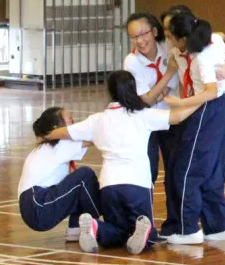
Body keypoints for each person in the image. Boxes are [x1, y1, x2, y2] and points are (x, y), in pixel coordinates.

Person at [45, 71, 197, 254]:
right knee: (148, 237)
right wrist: (202, 99)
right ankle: (142, 232)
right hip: (137, 184)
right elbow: (177, 117)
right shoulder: (142, 115)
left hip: (108, 187)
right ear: (132, 90)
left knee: (117, 231)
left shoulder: (97, 120)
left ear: (110, 92)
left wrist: (46, 134)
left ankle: (96, 227)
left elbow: (65, 132)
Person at [163, 13, 225, 244]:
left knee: (187, 169)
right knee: (211, 170)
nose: (167, 40)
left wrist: (179, 104)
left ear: (182, 37)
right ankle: (219, 227)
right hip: (218, 107)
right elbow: (220, 35)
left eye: (169, 35)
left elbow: (210, 91)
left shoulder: (202, 57)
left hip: (210, 107)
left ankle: (187, 229)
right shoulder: (204, 43)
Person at [17, 107, 100, 242]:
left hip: (32, 207)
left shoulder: (47, 147)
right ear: (57, 129)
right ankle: (101, 225)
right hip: (38, 205)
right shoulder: (60, 143)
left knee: (76, 185)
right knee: (85, 176)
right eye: (70, 121)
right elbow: (94, 139)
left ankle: (75, 228)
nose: (74, 125)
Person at [122, 12, 178, 186]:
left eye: (143, 34)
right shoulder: (131, 62)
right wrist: (168, 74)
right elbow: (145, 101)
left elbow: (155, 94)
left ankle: (176, 214)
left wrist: (155, 93)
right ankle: (145, 213)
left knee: (176, 171)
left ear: (154, 31)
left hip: (172, 118)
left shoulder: (168, 47)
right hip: (146, 122)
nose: (139, 41)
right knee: (148, 172)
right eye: (133, 37)